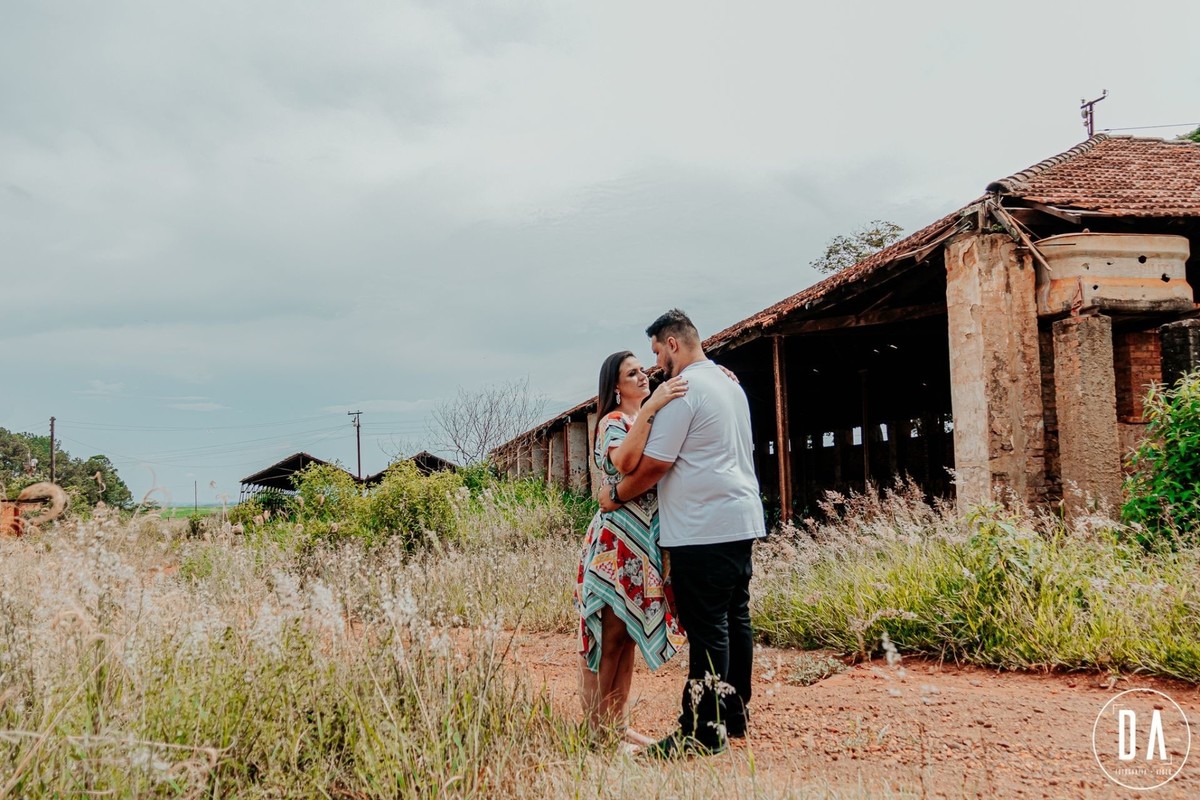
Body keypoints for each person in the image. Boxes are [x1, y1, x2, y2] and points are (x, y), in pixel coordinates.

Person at [599, 309, 766, 759]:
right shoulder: (730, 384)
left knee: (709, 626)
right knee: (735, 617)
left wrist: (614, 494)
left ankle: (700, 730)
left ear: (673, 344)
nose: (656, 366)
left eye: (656, 352)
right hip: (741, 518)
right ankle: (733, 715)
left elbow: (655, 464)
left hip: (702, 527)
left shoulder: (685, 391)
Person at [575, 350, 689, 746]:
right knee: (609, 640)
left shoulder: (646, 419)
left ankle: (616, 726)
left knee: (625, 640)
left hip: (642, 543)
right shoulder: (614, 421)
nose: (643, 377)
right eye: (632, 373)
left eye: (643, 370)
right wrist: (653, 404)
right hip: (616, 544)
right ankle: (598, 735)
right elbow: (624, 462)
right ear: (616, 386)